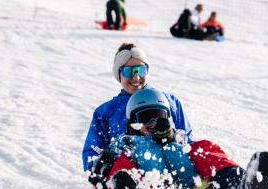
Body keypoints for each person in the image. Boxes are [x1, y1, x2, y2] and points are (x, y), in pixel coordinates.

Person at [89, 88, 268, 189]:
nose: (154, 124)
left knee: (203, 149)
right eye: (146, 119)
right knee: (122, 167)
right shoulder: (127, 146)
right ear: (133, 124)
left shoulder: (180, 143)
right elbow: (105, 166)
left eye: (160, 117)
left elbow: (199, 155)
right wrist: (104, 165)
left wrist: (170, 139)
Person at [82, 43, 193, 172]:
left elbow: (188, 140)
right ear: (119, 74)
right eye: (128, 71)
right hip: (129, 174)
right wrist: (102, 168)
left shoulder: (169, 102)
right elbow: (91, 153)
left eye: (140, 70)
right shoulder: (106, 112)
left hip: (173, 169)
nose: (136, 77)